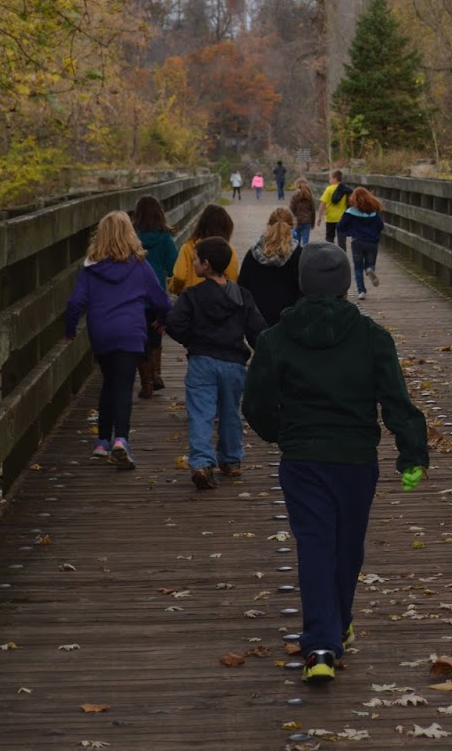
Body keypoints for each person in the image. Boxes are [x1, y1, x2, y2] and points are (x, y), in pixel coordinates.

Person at [243, 242, 429, 685]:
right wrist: (412, 453)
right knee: (347, 547)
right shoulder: (372, 338)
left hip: (303, 459)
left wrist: (279, 432)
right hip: (356, 462)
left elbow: (256, 404)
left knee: (314, 547)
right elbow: (396, 401)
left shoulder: (274, 341)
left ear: (301, 284)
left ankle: (323, 642)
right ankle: (333, 626)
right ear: (346, 284)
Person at [64, 210, 170, 470]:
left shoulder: (90, 266)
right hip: (131, 331)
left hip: (101, 332)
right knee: (123, 386)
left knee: (109, 382)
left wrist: (69, 330)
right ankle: (121, 439)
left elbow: (76, 301)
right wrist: (163, 319)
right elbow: (160, 299)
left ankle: (102, 441)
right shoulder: (139, 264)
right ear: (129, 234)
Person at [166, 236, 266, 489]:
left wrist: (192, 340)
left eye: (196, 259)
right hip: (233, 363)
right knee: (230, 412)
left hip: (202, 361)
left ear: (206, 264)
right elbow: (257, 330)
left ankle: (201, 462)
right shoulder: (242, 295)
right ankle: (231, 460)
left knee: (201, 413)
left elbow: (174, 323)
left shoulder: (192, 295)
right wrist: (265, 357)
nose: (194, 263)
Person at [132, 194, 178, 398]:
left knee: (139, 340)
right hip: (157, 296)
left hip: (134, 297)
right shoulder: (165, 237)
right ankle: (157, 373)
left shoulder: (131, 238)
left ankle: (146, 383)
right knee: (155, 335)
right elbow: (173, 267)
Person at [238, 206, 302, 326]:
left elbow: (242, 288)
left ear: (268, 225)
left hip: (257, 323)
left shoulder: (252, 255)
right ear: (292, 227)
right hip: (289, 324)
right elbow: (304, 292)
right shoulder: (299, 255)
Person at [170, 203, 239, 293]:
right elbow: (233, 276)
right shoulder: (228, 249)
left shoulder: (188, 247)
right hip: (219, 299)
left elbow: (179, 276)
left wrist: (174, 288)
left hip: (191, 299)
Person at [339, 186, 385, 300]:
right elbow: (381, 226)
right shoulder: (373, 212)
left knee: (358, 267)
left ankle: (361, 291)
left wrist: (349, 232)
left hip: (357, 241)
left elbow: (340, 226)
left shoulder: (350, 212)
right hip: (372, 242)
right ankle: (370, 269)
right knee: (370, 263)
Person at [316, 168, 351, 247]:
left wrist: (319, 217)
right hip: (342, 218)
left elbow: (323, 203)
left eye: (330, 178)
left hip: (330, 218)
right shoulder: (345, 189)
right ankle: (342, 255)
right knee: (342, 240)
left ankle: (330, 254)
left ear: (335, 178)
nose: (329, 180)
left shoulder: (329, 189)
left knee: (329, 239)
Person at [289, 176, 316, 247]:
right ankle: (305, 254)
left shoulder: (295, 195)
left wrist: (291, 221)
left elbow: (291, 209)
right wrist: (313, 222)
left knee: (296, 241)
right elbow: (312, 210)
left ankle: (297, 255)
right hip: (307, 221)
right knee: (305, 241)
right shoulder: (309, 196)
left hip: (297, 221)